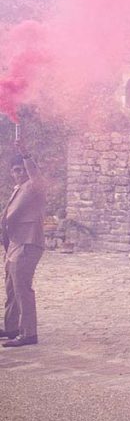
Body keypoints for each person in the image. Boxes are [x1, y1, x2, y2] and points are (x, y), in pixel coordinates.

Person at [1, 140, 47, 348]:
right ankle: (11, 328)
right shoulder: (18, 189)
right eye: (15, 171)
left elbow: (35, 175)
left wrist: (26, 154)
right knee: (11, 287)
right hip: (14, 244)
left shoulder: (34, 186)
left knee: (21, 287)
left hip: (28, 243)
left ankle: (29, 333)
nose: (18, 174)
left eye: (21, 170)